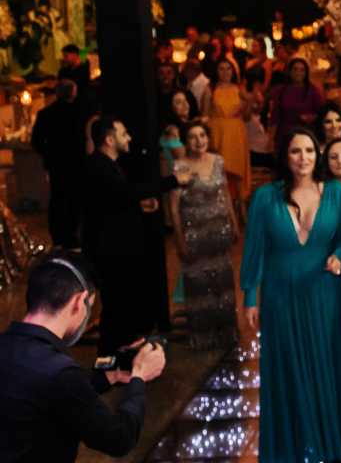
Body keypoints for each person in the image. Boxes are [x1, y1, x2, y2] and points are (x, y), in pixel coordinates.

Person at [0, 252, 165, 463]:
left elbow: (39, 395)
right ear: (79, 302)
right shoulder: (60, 373)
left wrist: (108, 378)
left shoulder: (11, 350)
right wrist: (138, 378)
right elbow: (119, 437)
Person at [240, 129, 341, 463]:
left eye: (309, 150)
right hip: (280, 292)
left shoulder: (336, 192)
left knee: (327, 361)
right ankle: (294, 443)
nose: (304, 157)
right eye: (296, 151)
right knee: (288, 364)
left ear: (317, 154)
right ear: (285, 156)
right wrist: (250, 296)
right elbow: (255, 247)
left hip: (324, 290)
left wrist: (339, 256)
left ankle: (329, 438)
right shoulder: (265, 196)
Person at [81, 118, 192, 356]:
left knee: (121, 307)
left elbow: (112, 200)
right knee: (118, 309)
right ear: (109, 140)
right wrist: (173, 181)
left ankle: (117, 356)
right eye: (124, 134)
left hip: (115, 249)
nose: (129, 138)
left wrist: (138, 205)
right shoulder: (100, 165)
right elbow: (127, 191)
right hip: (110, 251)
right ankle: (111, 359)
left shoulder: (104, 164)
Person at [167, 121, 240, 351]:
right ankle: (202, 336)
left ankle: (226, 334)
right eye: (192, 136)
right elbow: (173, 207)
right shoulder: (180, 166)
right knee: (198, 284)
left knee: (222, 282)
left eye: (202, 135)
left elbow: (225, 193)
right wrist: (179, 239)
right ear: (186, 141)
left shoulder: (218, 161)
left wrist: (234, 223)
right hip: (194, 234)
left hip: (219, 232)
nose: (199, 141)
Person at [32, 80, 84, 249]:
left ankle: (57, 236)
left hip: (55, 164)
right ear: (73, 93)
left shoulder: (45, 113)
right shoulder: (77, 113)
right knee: (73, 200)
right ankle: (70, 236)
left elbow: (36, 140)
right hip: (75, 162)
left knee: (57, 198)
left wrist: (49, 154)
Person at [205, 57, 253, 206]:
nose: (225, 72)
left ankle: (241, 206)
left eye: (228, 68)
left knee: (238, 170)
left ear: (233, 71)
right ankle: (225, 207)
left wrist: (249, 100)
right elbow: (204, 117)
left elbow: (247, 117)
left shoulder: (239, 89)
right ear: (216, 71)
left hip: (236, 131)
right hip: (218, 132)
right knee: (221, 170)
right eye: (221, 69)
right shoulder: (210, 90)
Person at [270, 59, 325, 152]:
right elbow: (275, 116)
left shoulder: (312, 91)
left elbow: (323, 112)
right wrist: (271, 140)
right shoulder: (280, 90)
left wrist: (313, 118)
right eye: (295, 69)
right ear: (289, 72)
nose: (298, 72)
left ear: (306, 73)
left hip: (306, 135)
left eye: (302, 70)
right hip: (285, 135)